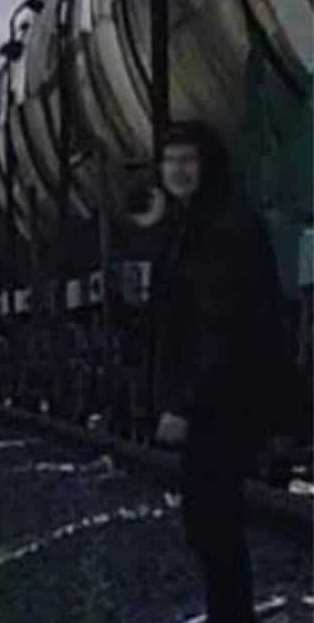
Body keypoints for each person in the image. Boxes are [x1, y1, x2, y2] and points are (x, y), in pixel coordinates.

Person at [143, 121, 289, 623]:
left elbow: (217, 324)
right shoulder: (199, 219)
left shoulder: (220, 226)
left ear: (207, 166)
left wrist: (184, 405)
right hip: (222, 397)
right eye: (171, 161)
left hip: (221, 402)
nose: (178, 171)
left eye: (188, 160)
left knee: (213, 524)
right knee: (211, 525)